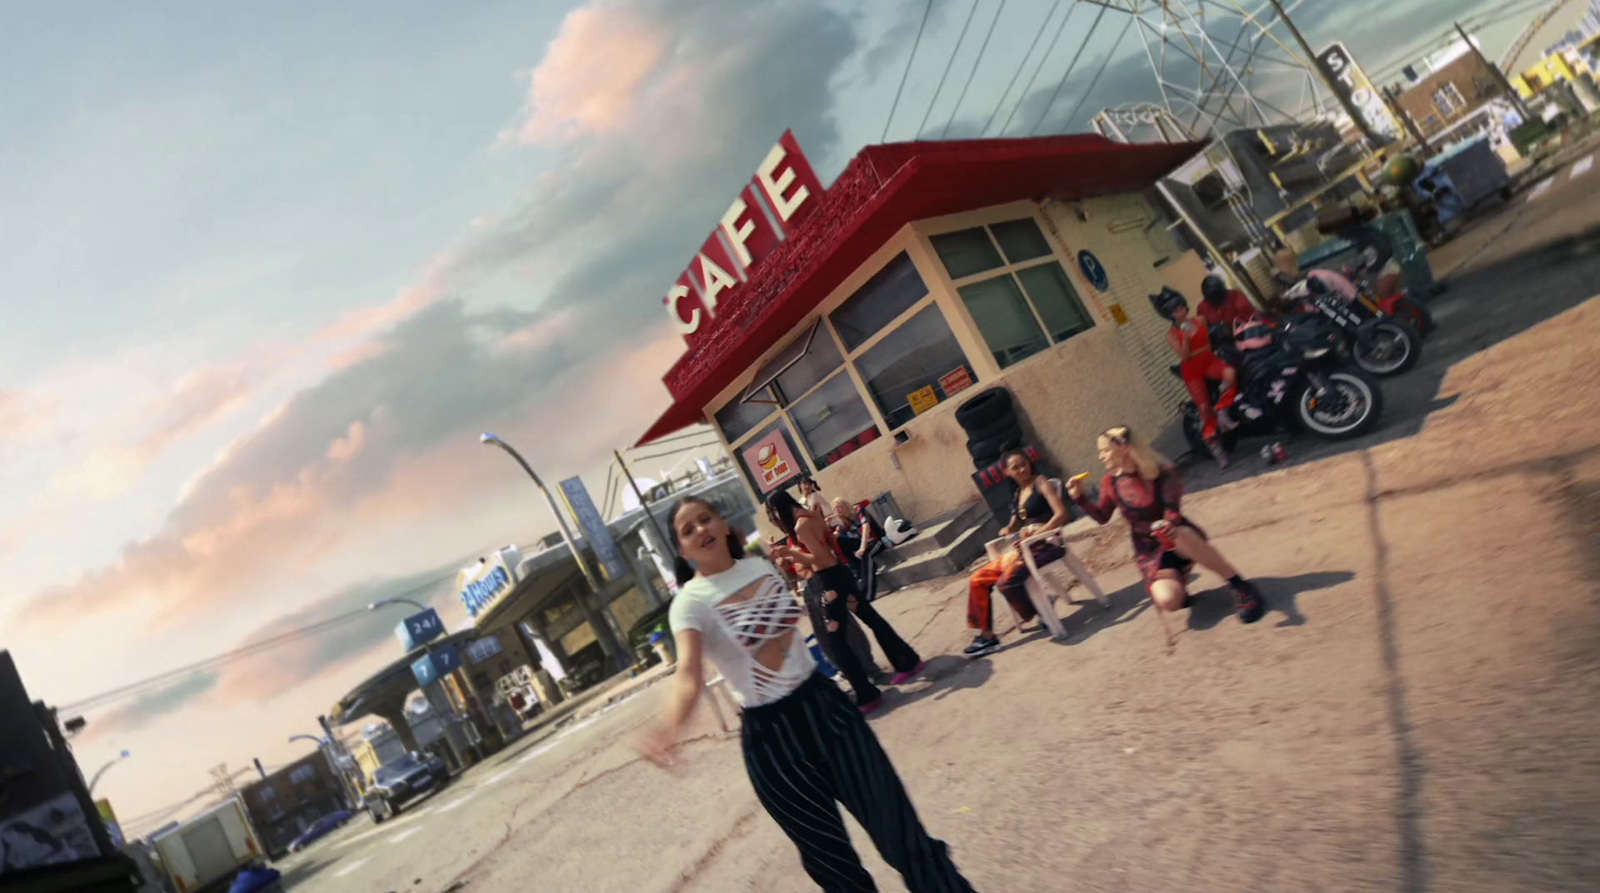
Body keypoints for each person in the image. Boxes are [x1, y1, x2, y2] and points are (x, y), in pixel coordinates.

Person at [638, 497, 978, 893]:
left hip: (825, 706)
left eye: (705, 519)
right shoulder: (689, 604)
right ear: (681, 550)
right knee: (837, 872)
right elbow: (688, 675)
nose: (700, 530)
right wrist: (668, 727)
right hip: (772, 742)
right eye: (687, 529)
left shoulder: (760, 567)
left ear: (723, 525)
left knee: (903, 834)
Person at [1067, 426, 1265, 625]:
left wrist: (1169, 524)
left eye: (1105, 450)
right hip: (1149, 551)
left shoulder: (1160, 470)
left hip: (1178, 539)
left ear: (1125, 448)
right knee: (1168, 601)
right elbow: (1102, 517)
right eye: (1100, 451)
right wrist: (1080, 498)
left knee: (1178, 534)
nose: (1101, 456)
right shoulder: (1110, 482)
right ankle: (1179, 584)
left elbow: (1172, 510)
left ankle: (1240, 586)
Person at [767, 490, 924, 711]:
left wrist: (792, 554)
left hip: (829, 581)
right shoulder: (812, 515)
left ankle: (866, 694)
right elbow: (830, 543)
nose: (774, 519)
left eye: (773, 514)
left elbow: (820, 558)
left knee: (835, 640)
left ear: (778, 509)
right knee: (871, 618)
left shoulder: (801, 526)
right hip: (840, 574)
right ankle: (908, 662)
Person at [962, 450, 1072, 658]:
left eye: (1024, 464)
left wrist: (1037, 533)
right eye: (1016, 467)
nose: (1022, 469)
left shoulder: (1041, 482)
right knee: (977, 579)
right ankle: (987, 636)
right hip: (1023, 548)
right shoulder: (1017, 493)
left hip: (1046, 544)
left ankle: (1041, 610)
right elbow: (1015, 522)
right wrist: (1009, 529)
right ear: (1007, 473)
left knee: (1006, 582)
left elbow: (1062, 514)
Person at [1151, 285, 1238, 468]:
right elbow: (1184, 356)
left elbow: (1215, 333)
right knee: (1205, 408)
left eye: (1181, 307)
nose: (1180, 312)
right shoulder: (1172, 335)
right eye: (1175, 311)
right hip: (1192, 368)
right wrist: (1185, 336)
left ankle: (1223, 411)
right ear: (1169, 315)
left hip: (1209, 360)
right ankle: (1218, 451)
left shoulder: (1200, 320)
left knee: (1230, 372)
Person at [832, 496, 889, 602]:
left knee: (866, 554)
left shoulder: (859, 510)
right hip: (863, 543)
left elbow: (866, 528)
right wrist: (825, 526)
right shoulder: (845, 522)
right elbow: (833, 538)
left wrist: (862, 548)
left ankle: (868, 594)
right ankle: (858, 570)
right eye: (835, 509)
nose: (838, 510)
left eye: (839, 507)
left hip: (876, 541)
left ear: (846, 506)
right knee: (840, 541)